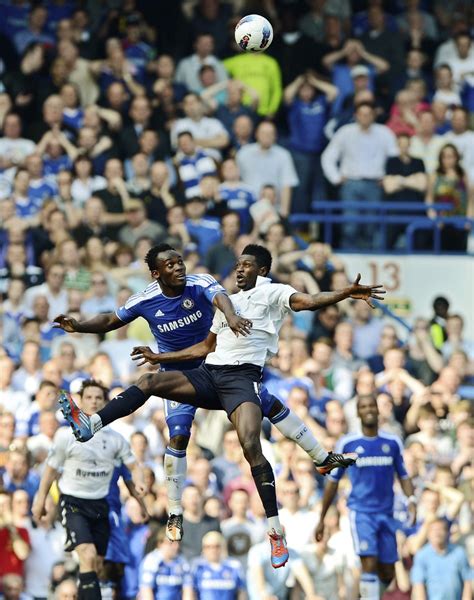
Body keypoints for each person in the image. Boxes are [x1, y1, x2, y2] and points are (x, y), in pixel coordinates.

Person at [57, 245, 382, 568]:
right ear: (157, 273)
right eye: (170, 265)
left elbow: (302, 302)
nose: (179, 267)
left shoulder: (243, 291)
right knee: (169, 417)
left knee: (253, 437)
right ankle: (105, 438)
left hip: (236, 377)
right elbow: (191, 341)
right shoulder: (165, 299)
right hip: (199, 372)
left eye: (180, 261)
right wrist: (87, 329)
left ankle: (280, 524)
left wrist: (342, 294)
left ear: (262, 271)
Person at [31, 380, 145, 600]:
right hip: (73, 502)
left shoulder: (116, 439)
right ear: (81, 402)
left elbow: (133, 468)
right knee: (87, 554)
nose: (94, 401)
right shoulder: (66, 436)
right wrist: (39, 501)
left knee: (97, 565)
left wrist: (140, 493)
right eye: (89, 397)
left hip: (100, 503)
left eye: (99, 398)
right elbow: (50, 471)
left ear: (105, 404)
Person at [315, 395, 417, 600]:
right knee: (369, 562)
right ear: (358, 412)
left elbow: (404, 476)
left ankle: (367, 596)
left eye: (372, 405)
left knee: (388, 570)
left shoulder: (393, 442)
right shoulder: (348, 443)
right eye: (364, 406)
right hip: (362, 513)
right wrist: (322, 518)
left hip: (387, 513)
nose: (369, 409)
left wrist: (411, 500)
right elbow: (333, 482)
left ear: (378, 410)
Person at [410, 518, 472, 600]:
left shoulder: (459, 552)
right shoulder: (422, 556)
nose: (437, 533)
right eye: (434, 530)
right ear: (428, 534)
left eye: (440, 529)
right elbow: (418, 585)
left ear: (447, 533)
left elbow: (468, 580)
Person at [139, 527, 193, 600]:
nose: (176, 546)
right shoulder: (151, 561)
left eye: (177, 542)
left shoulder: (182, 562)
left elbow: (188, 591)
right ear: (160, 543)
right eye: (171, 543)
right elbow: (146, 592)